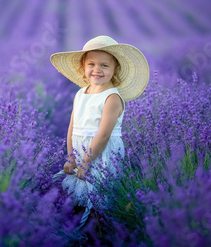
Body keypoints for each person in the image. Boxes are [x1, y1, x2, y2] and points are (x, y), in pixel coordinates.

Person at [50, 35, 149, 230]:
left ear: (115, 70)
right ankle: (79, 232)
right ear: (83, 67)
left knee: (100, 196)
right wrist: (71, 157)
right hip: (80, 152)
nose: (97, 70)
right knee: (80, 195)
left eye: (104, 65)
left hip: (102, 155)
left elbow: (103, 136)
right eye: (92, 64)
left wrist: (86, 163)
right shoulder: (80, 93)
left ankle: (100, 233)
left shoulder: (111, 98)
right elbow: (72, 127)